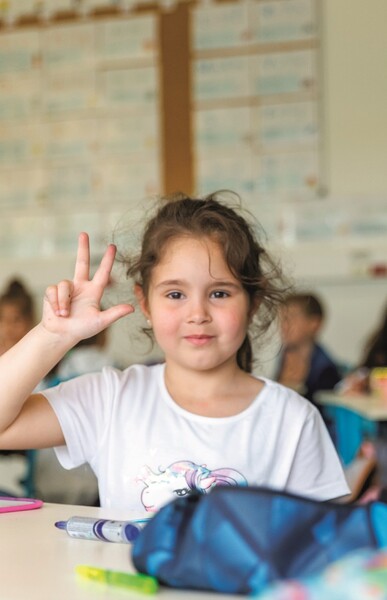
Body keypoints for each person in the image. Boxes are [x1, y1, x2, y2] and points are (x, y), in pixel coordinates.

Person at [0, 191, 349, 512]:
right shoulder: (109, 399)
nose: (197, 314)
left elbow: (325, 543)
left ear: (253, 303)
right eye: (175, 294)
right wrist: (52, 335)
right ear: (145, 302)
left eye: (220, 293)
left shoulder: (292, 420)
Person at [275, 293, 342, 406]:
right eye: (282, 319)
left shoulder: (325, 369)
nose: (284, 326)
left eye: (291, 319)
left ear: (314, 323)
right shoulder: (286, 354)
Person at [0, 279, 35, 356]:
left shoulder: (34, 354)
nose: (8, 326)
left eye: (16, 320)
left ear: (29, 320)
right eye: (3, 319)